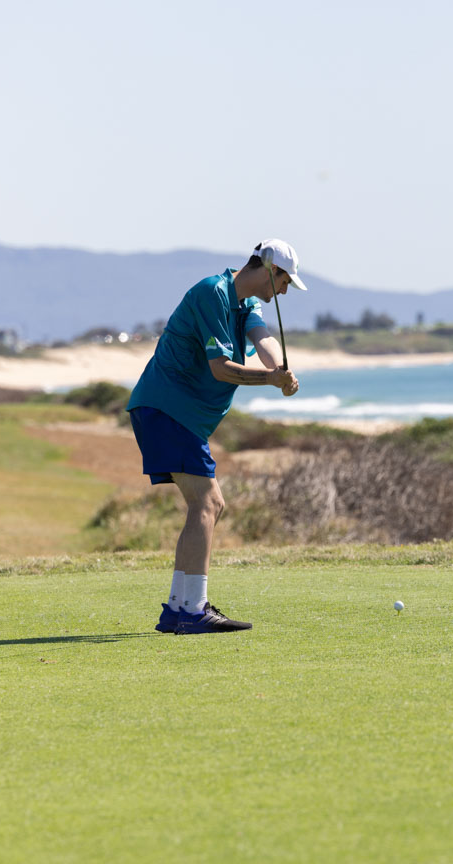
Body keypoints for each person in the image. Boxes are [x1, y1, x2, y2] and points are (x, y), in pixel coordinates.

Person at [126, 239, 305, 635]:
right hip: (167, 408)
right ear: (270, 269)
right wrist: (269, 380)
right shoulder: (213, 292)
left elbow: (263, 339)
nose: (285, 291)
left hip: (175, 415)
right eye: (285, 281)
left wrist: (282, 373)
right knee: (209, 502)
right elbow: (221, 369)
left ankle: (178, 609)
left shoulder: (247, 303)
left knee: (204, 504)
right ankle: (193, 610)